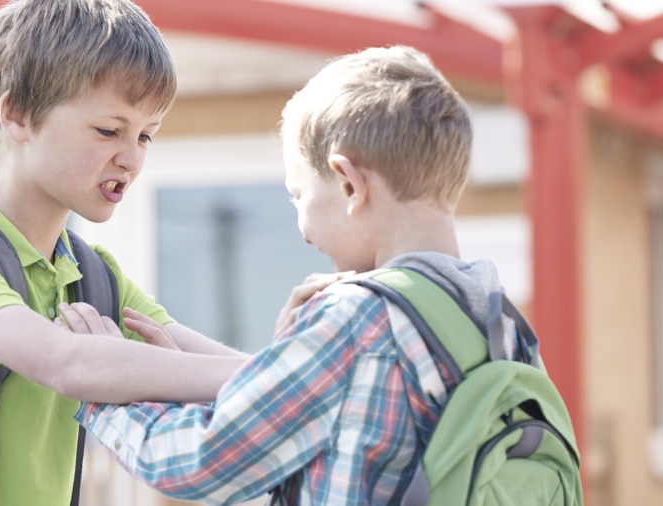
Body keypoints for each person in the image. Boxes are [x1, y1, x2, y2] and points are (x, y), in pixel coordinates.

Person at [0, 1, 264, 504]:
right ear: (18, 113)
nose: (132, 158)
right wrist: (291, 376)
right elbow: (68, 364)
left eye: (146, 135)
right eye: (109, 130)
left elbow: (211, 363)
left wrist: (297, 372)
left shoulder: (90, 276)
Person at [71, 45, 514, 505]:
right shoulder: (496, 319)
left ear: (349, 185)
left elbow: (201, 461)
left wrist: (104, 388)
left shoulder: (358, 319)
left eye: (298, 196)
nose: (302, 232)